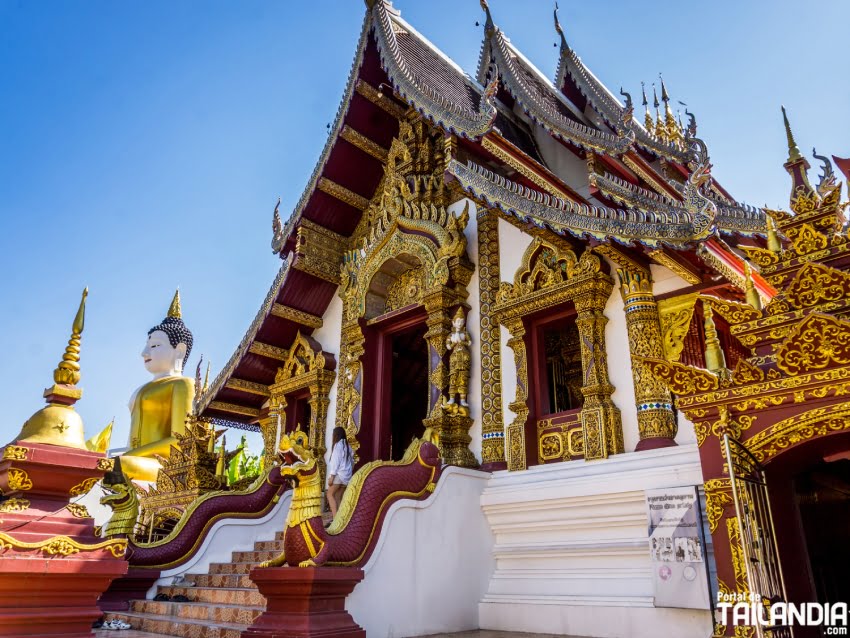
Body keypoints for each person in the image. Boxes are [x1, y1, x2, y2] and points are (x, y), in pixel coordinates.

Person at [326, 426, 354, 519]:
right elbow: (352, 461)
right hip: (346, 476)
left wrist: (331, 477)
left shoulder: (338, 445)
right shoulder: (347, 446)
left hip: (338, 475)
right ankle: (340, 519)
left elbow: (335, 462)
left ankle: (335, 519)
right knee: (338, 497)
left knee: (329, 494)